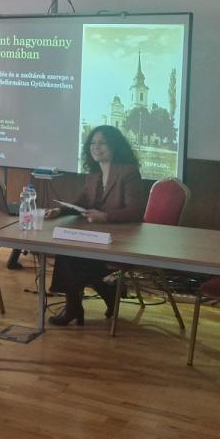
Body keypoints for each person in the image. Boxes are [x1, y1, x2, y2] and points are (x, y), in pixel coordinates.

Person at [45, 125, 145, 326]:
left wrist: (105, 216)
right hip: (97, 236)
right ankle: (101, 294)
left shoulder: (128, 172)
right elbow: (82, 201)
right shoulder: (94, 174)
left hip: (121, 240)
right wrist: (60, 211)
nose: (96, 147)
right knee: (66, 250)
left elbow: (135, 211)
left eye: (102, 143)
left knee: (72, 259)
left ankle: (75, 307)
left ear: (114, 146)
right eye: (92, 143)